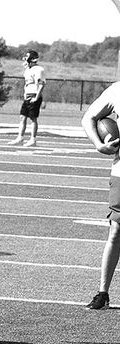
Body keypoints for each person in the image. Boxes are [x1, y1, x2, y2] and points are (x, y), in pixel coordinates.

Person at [81, 83, 120, 310]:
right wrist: (99, 144)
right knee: (115, 231)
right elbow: (89, 117)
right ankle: (102, 293)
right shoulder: (117, 90)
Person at [8, 50, 46, 147]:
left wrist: (37, 98)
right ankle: (20, 137)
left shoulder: (38, 69)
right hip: (28, 95)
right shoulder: (28, 69)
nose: (25, 59)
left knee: (33, 118)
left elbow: (41, 85)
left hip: (34, 95)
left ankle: (33, 139)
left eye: (27, 57)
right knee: (22, 117)